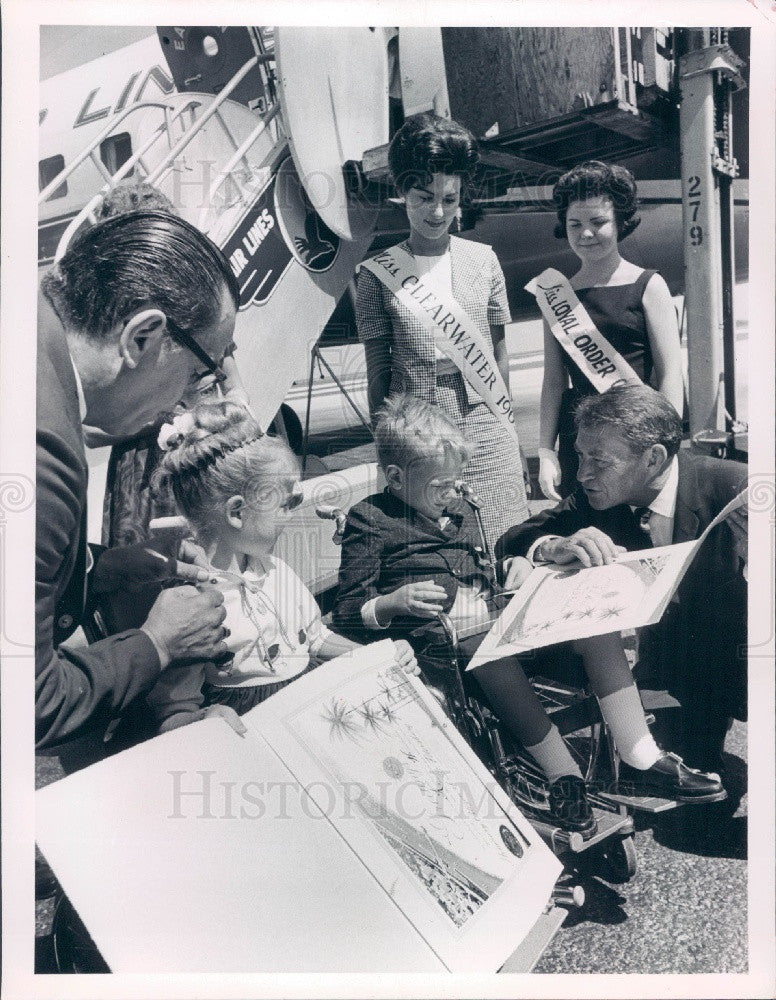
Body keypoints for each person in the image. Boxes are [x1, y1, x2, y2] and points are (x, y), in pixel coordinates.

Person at [332, 396, 724, 833]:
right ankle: (563, 774)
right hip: (441, 644)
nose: (451, 495)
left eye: (455, 483)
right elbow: (347, 610)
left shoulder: (458, 511)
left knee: (593, 618)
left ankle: (639, 752)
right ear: (395, 477)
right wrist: (390, 603)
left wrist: (513, 566)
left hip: (494, 614)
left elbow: (481, 568)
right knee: (484, 646)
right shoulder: (369, 519)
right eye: (440, 486)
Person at [36, 210, 240, 750]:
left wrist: (94, 568)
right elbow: (27, 703)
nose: (182, 401)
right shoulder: (41, 456)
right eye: (200, 372)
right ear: (143, 337)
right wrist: (157, 643)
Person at [497, 383, 747, 777]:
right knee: (679, 780)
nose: (582, 473)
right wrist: (554, 546)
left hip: (751, 658)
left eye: (599, 460)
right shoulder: (595, 497)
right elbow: (513, 538)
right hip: (674, 669)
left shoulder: (736, 486)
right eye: (580, 455)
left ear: (653, 458)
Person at [146, 400, 418, 730]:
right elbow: (176, 710)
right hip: (259, 726)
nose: (290, 516)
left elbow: (315, 640)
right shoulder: (190, 604)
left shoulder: (273, 569)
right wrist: (205, 721)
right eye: (284, 505)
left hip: (308, 698)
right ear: (236, 512)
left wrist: (377, 658)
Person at [357, 112, 529, 549]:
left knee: (506, 538)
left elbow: (499, 356)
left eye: (449, 200)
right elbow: (379, 375)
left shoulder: (484, 260)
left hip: (487, 423)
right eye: (423, 196)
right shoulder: (377, 273)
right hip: (420, 432)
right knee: (443, 549)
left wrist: (510, 432)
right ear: (401, 193)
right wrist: (387, 451)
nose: (437, 211)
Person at [533, 160, 684, 499]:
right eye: (575, 224)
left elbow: (671, 374)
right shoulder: (555, 294)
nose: (586, 233)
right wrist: (545, 450)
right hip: (582, 444)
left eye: (598, 222)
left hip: (637, 441)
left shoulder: (649, 284)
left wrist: (667, 446)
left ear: (620, 223)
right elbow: (554, 381)